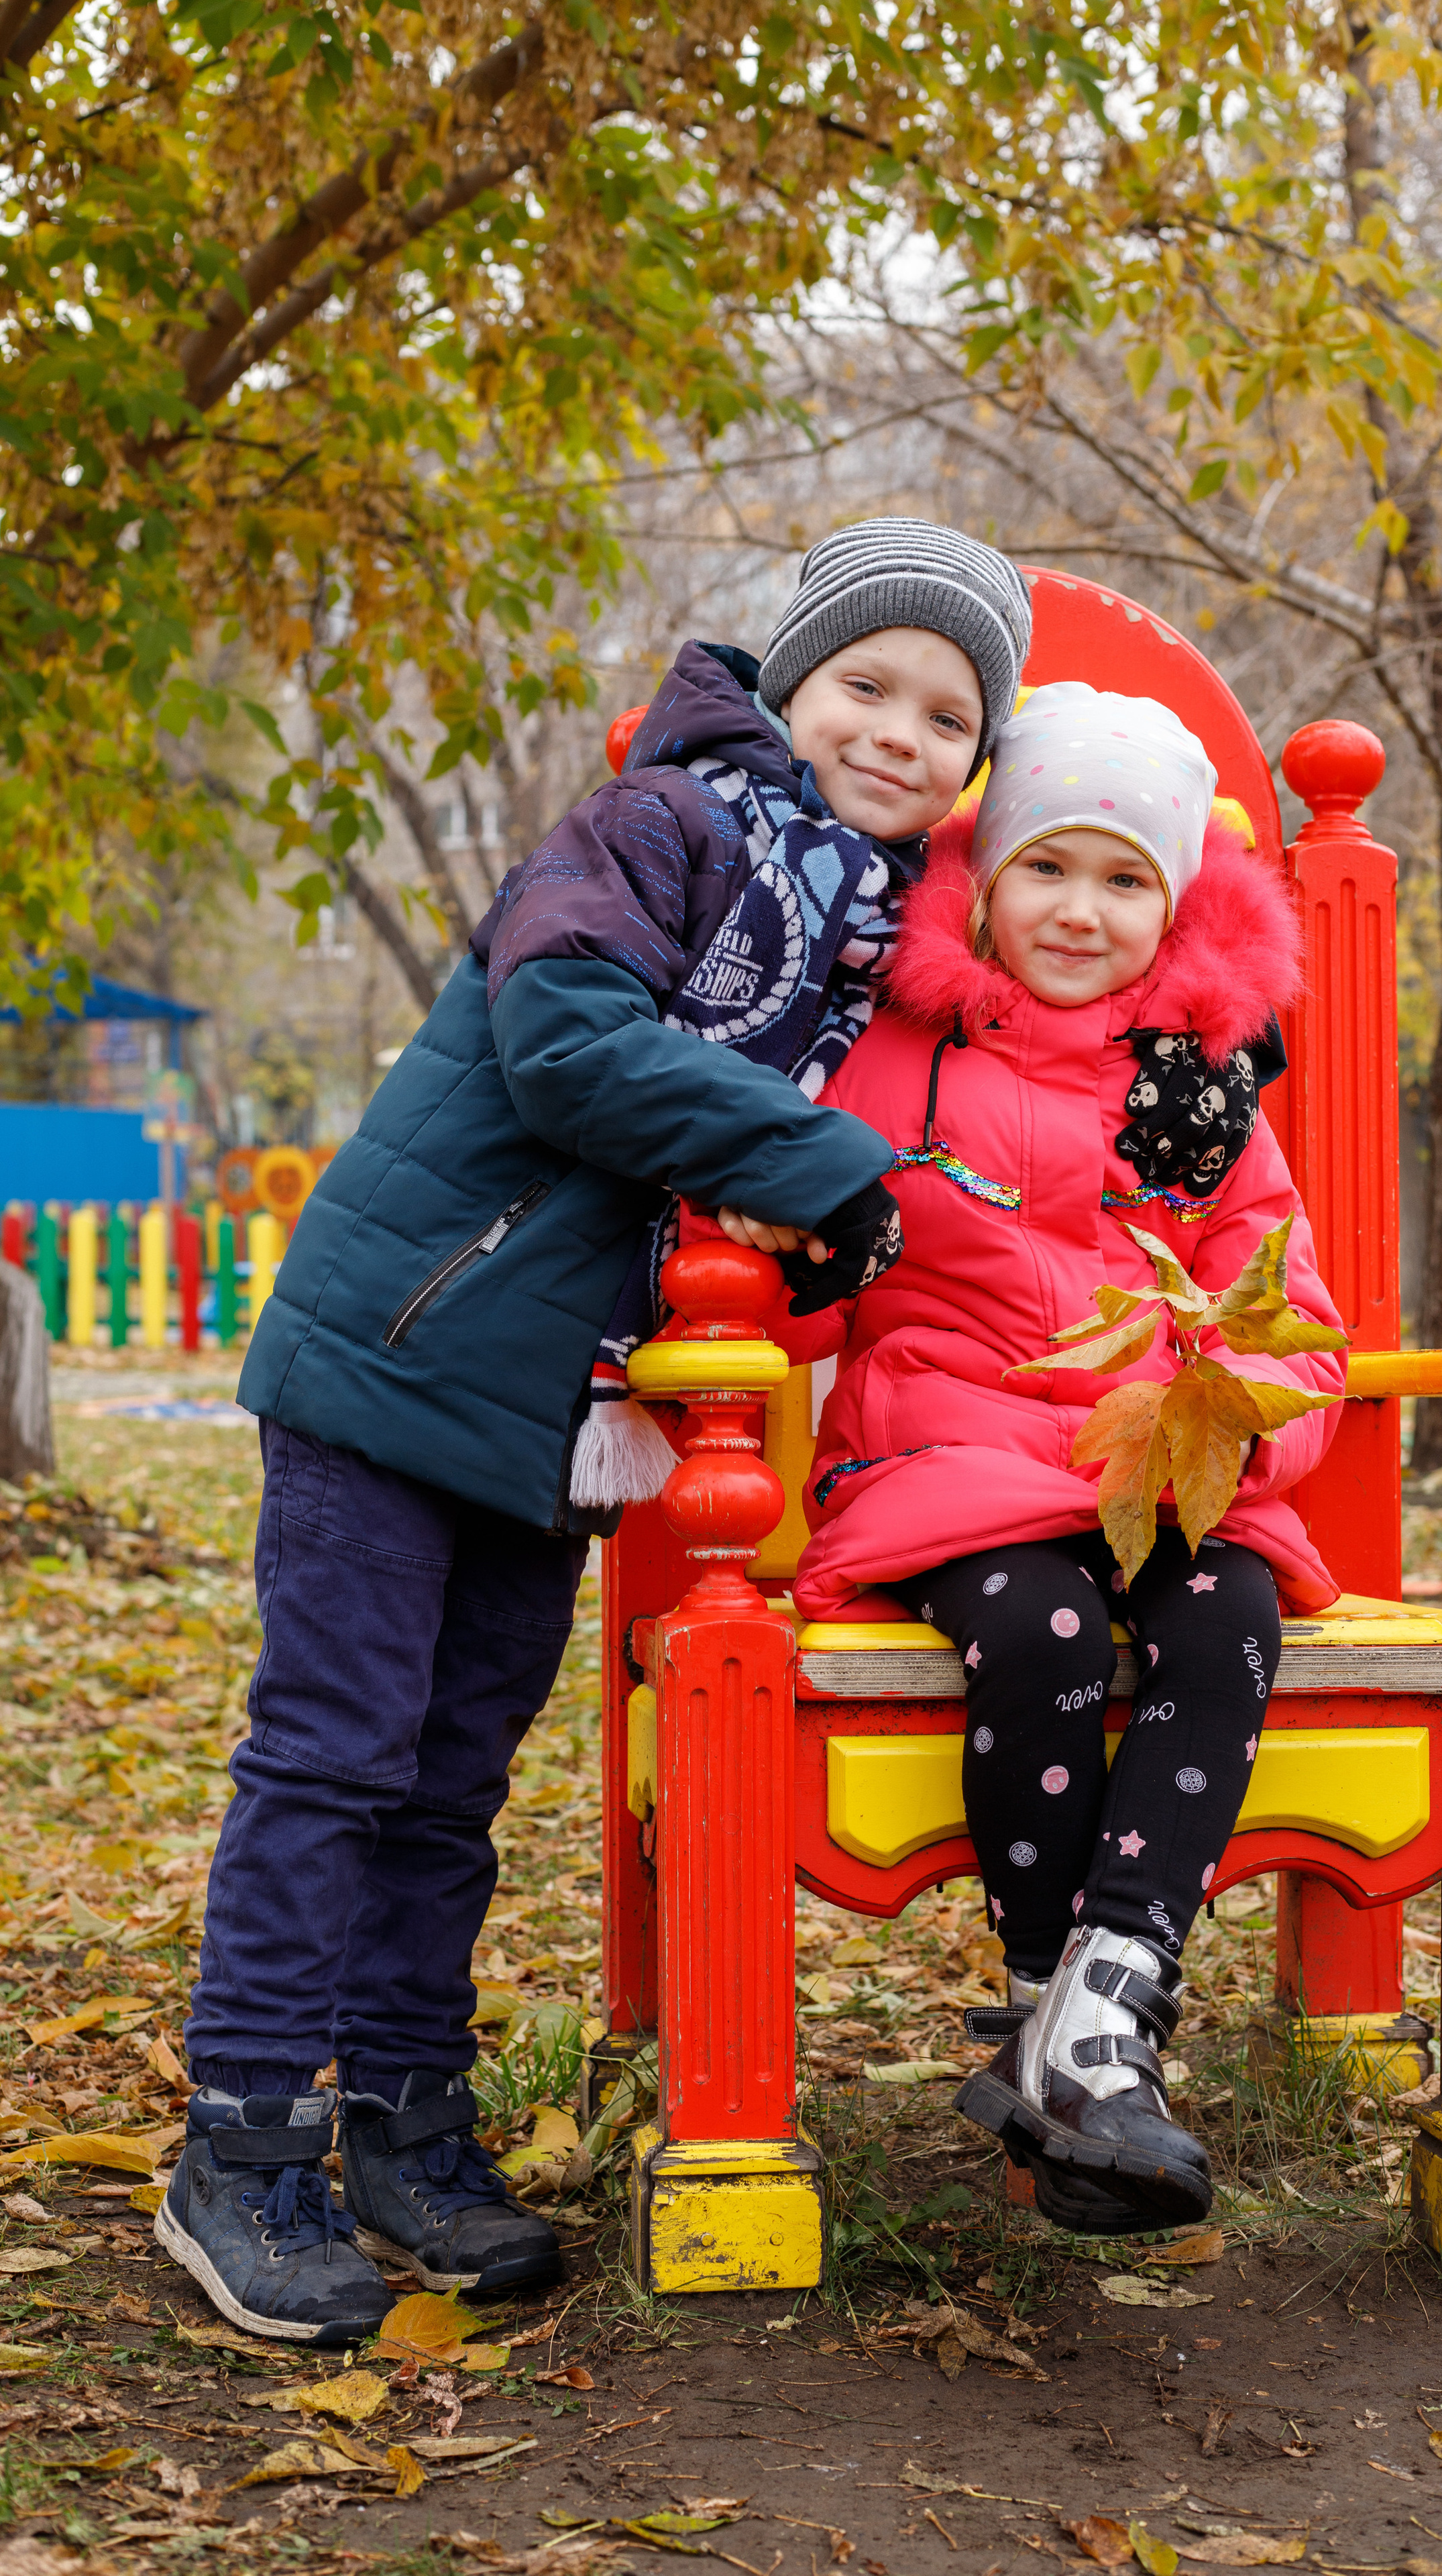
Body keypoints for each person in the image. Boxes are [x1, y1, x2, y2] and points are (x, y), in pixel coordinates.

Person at [158, 520, 1034, 2344]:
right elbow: (565, 1043)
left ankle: (402, 2124)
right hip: (401, 1353)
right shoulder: (667, 827)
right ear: (791, 682)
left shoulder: (855, 942)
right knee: (333, 1758)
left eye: (947, 714)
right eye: (868, 682)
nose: (897, 730)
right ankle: (240, 2149)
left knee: (451, 1784)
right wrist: (825, 1166)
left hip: (560, 1409)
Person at [753, 682, 1346, 2233]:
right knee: (1045, 1628)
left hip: (1151, 1467)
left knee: (1224, 1613)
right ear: (983, 873)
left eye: (1123, 878)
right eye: (1046, 867)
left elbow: (1300, 1326)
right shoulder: (887, 1052)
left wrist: (1232, 1413)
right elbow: (785, 1288)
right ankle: (1053, 2009)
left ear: (1173, 902)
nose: (1080, 912)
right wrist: (793, 1247)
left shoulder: (1202, 1095)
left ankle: (1102, 2008)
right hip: (949, 1452)